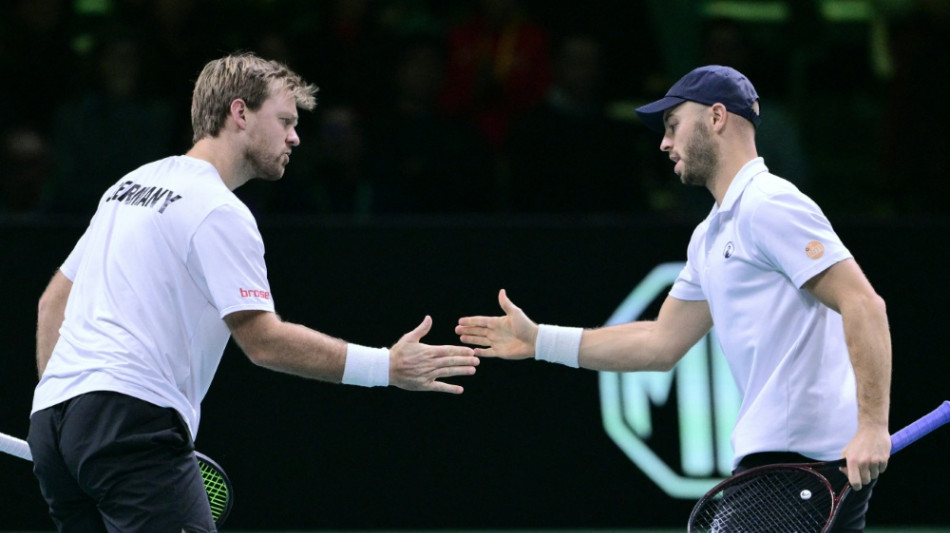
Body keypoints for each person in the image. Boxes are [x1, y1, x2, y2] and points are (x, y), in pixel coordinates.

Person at [28, 52, 479, 533]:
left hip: (54, 424)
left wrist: (59, 399)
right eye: (284, 120)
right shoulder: (218, 209)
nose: (295, 136)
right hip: (130, 419)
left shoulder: (131, 185)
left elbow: (52, 302)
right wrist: (384, 367)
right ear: (240, 113)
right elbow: (262, 342)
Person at [456, 65, 891, 532]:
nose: (664, 143)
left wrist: (871, 426)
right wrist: (541, 341)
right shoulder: (710, 235)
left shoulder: (770, 204)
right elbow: (660, 344)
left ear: (717, 117)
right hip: (792, 465)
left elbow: (863, 304)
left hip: (799, 463)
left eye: (672, 125)